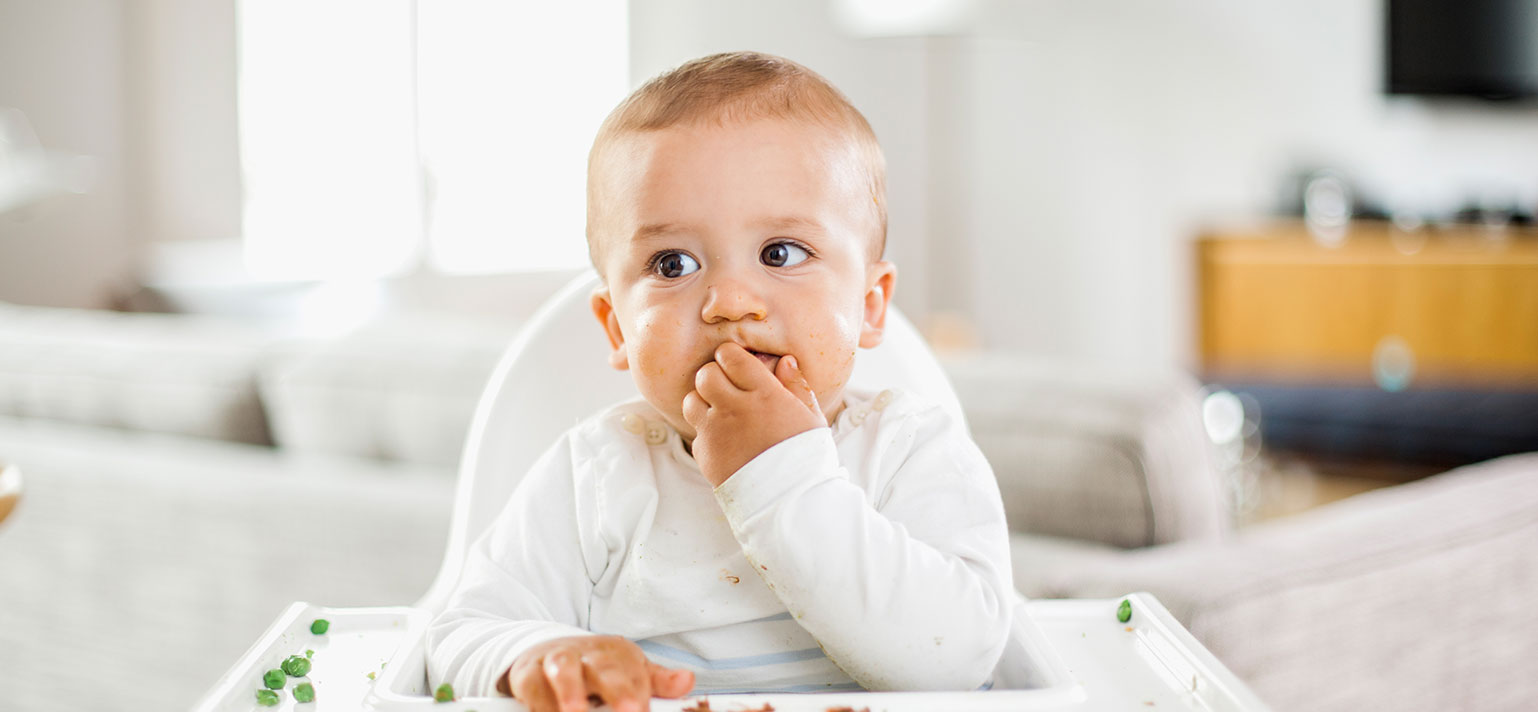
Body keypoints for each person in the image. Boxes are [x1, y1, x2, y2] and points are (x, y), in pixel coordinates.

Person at [426, 51, 1014, 712]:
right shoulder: (594, 475)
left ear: (870, 305)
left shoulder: (909, 451)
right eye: (672, 263)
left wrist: (780, 474)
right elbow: (460, 633)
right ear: (617, 327)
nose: (731, 302)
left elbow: (962, 661)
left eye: (782, 253)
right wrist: (537, 654)